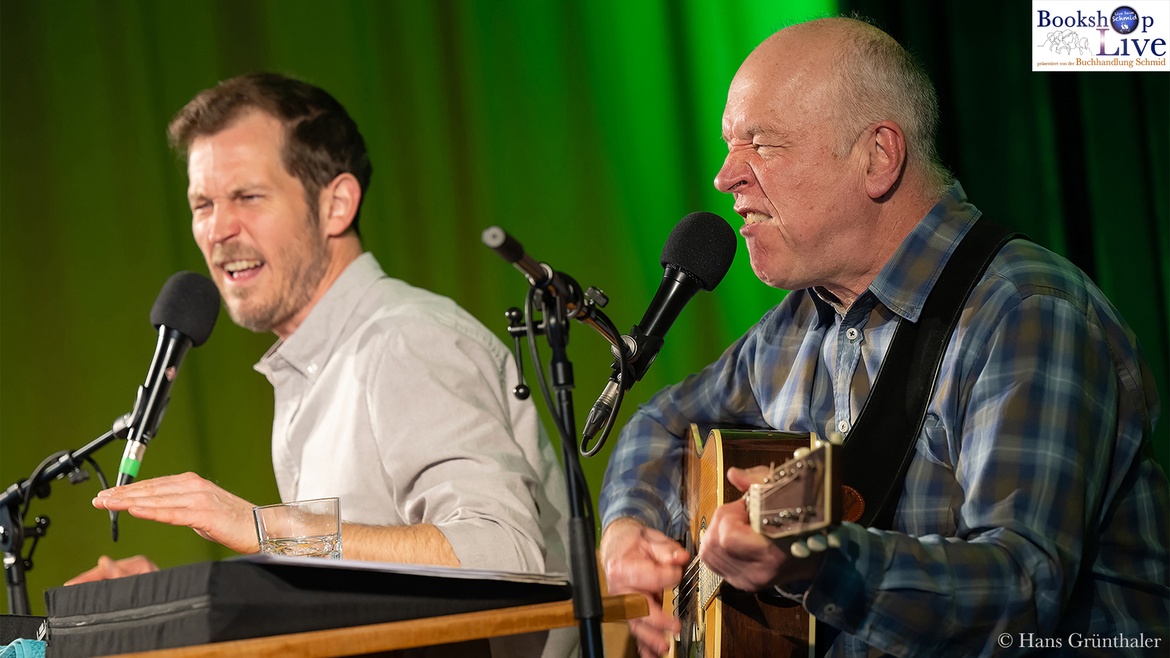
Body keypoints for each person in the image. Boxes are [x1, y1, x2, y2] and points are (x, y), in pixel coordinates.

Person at [598, 16, 1169, 658]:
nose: (725, 177)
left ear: (878, 156)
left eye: (761, 144)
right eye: (731, 144)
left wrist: (818, 562)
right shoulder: (798, 325)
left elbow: (1023, 591)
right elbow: (661, 425)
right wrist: (627, 530)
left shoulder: (1025, 311)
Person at [68, 73, 575, 657]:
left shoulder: (403, 342)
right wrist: (171, 602)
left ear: (336, 204)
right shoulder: (321, 359)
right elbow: (360, 595)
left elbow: (503, 553)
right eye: (202, 204)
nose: (218, 229)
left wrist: (266, 527)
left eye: (248, 197)